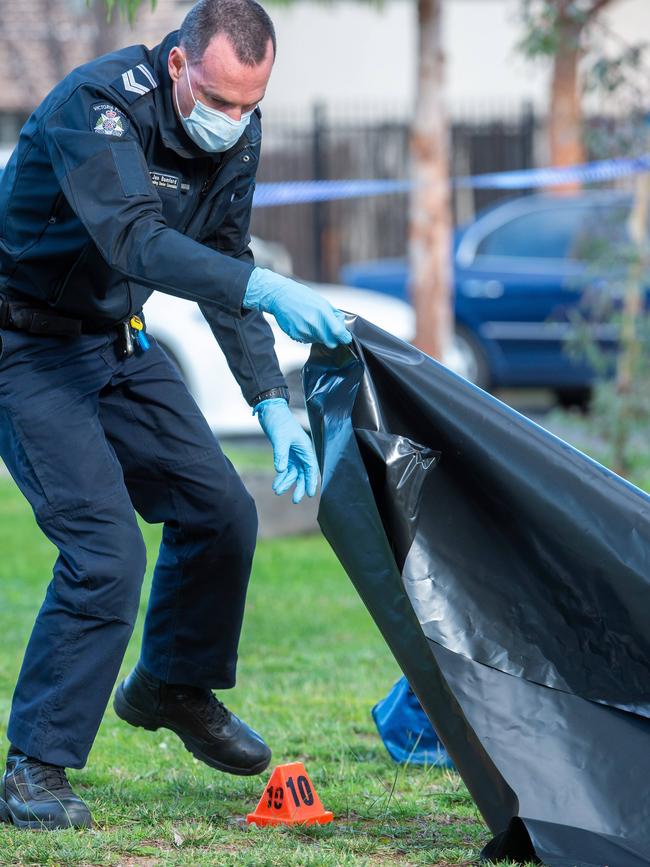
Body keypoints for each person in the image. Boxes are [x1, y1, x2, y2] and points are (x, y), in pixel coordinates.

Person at [0, 0, 351, 830]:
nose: (234, 121)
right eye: (222, 100)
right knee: (105, 550)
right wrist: (265, 285)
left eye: (250, 105)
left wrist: (271, 399)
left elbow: (225, 259)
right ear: (178, 65)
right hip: (22, 345)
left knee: (221, 509)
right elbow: (135, 241)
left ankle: (170, 685)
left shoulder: (238, 129)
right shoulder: (97, 107)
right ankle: (32, 768)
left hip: (114, 340)